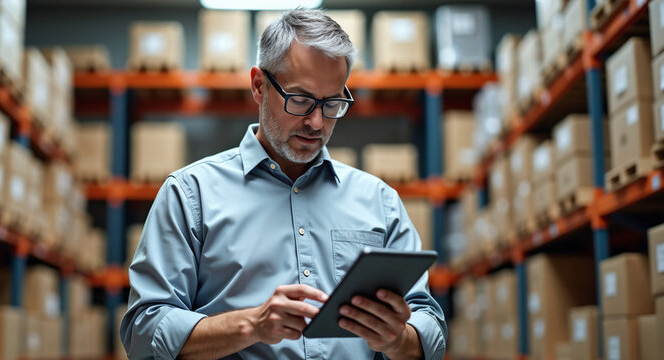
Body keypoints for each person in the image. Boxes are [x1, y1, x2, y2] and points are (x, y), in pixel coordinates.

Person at [120, 9, 446, 360]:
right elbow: (144, 330)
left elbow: (431, 330)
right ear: (259, 86)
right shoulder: (189, 194)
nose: (317, 122)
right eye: (301, 100)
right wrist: (252, 325)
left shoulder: (379, 201)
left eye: (333, 103)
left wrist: (397, 340)